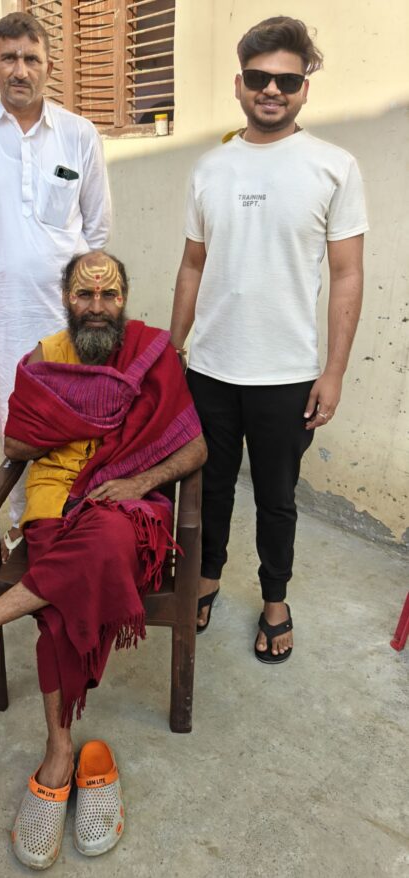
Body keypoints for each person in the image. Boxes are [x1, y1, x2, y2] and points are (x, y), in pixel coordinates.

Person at [0, 251, 206, 869]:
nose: (97, 307)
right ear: (66, 298)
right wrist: (84, 416)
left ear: (124, 298)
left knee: (103, 546)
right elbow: (17, 440)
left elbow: (195, 448)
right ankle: (63, 747)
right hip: (55, 501)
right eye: (84, 295)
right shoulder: (45, 359)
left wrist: (138, 480)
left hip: (127, 502)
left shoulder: (152, 354)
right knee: (64, 594)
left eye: (109, 295)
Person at [170, 17, 367, 662]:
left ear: (304, 88)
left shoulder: (333, 168)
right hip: (211, 367)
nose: (272, 90)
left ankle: (275, 598)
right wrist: (174, 348)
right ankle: (206, 577)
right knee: (210, 488)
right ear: (239, 84)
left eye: (286, 79)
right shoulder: (210, 168)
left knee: (278, 498)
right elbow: (193, 264)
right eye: (259, 78)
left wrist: (333, 371)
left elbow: (347, 274)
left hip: (286, 374)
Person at [0, 12, 111, 557]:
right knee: (16, 427)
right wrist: (9, 274)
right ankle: (26, 526)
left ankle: (78, 518)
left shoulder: (79, 134)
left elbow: (97, 228)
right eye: (9, 58)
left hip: (68, 316)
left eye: (31, 59)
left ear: (48, 66)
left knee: (79, 418)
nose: (20, 70)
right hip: (5, 315)